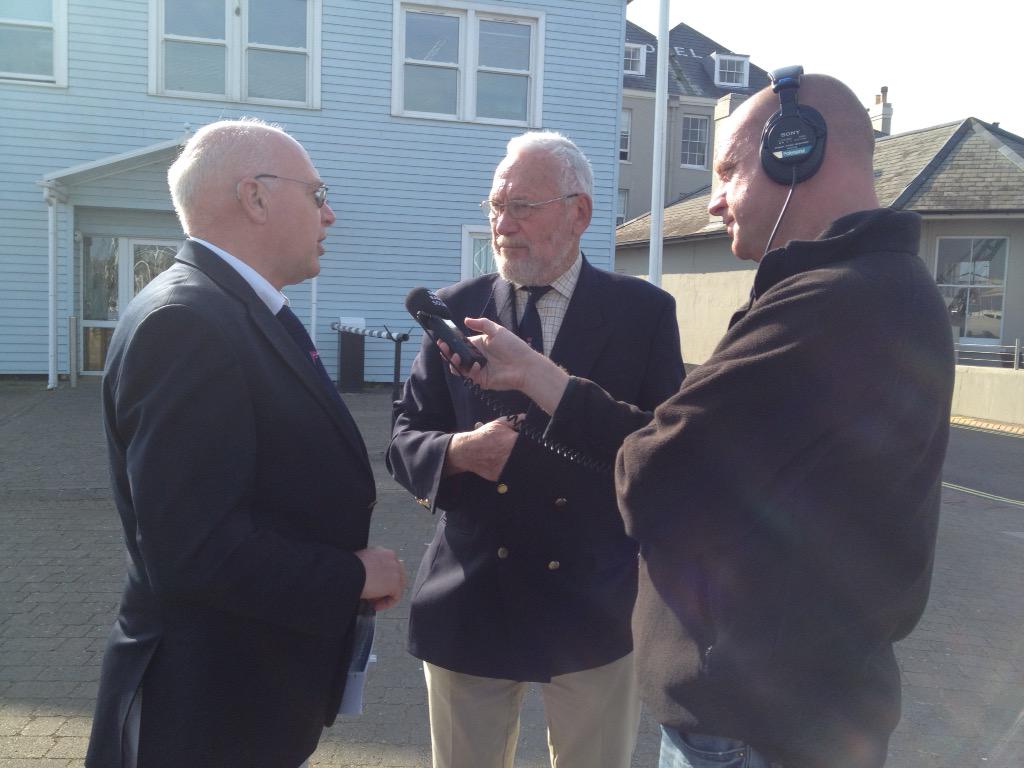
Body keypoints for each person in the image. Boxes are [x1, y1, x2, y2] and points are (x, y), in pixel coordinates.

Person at [441, 74, 955, 768]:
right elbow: (698, 448)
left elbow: (659, 467)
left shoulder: (834, 304)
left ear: (795, 152)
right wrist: (539, 378)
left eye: (729, 171)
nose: (714, 202)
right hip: (785, 712)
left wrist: (563, 406)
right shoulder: (871, 291)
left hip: (751, 730)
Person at [86, 118, 406, 768]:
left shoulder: (232, 310)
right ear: (255, 197)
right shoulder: (188, 324)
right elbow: (195, 553)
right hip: (202, 718)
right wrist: (350, 575)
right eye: (318, 195)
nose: (331, 214)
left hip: (242, 699)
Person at [387, 131, 684, 768]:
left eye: (523, 206)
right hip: (472, 595)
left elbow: (665, 447)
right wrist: (459, 452)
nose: (503, 224)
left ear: (578, 212)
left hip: (594, 603)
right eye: (497, 206)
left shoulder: (644, 313)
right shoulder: (456, 310)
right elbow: (405, 436)